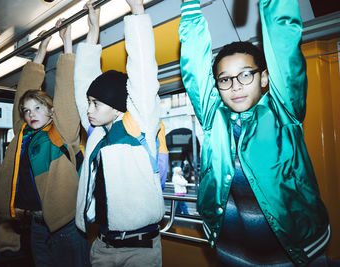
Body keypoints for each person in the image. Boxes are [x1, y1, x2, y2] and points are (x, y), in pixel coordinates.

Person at [179, 0, 330, 266]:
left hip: (292, 252)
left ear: (263, 78)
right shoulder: (214, 119)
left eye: (245, 75)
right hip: (231, 250)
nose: (235, 86)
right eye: (225, 79)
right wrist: (189, 5)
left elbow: (283, 38)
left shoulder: (284, 112)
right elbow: (194, 67)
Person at [74, 0, 167, 266]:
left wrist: (137, 12)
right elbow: (84, 84)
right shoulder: (97, 134)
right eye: (89, 103)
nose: (88, 109)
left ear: (116, 108)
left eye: (96, 104)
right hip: (102, 246)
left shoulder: (138, 126)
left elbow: (143, 72)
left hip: (140, 248)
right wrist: (93, 33)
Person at [0, 18, 90, 267]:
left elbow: (67, 94)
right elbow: (23, 94)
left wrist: (66, 44)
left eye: (38, 108)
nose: (31, 114)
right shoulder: (23, 135)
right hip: (36, 225)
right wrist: (41, 49)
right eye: (27, 110)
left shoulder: (62, 133)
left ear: (51, 112)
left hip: (66, 226)